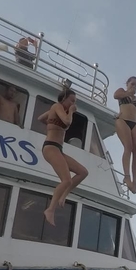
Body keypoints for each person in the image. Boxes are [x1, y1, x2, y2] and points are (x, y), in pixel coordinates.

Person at [39, 86, 88, 226]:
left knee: (83, 172)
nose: (73, 104)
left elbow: (40, 118)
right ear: (63, 99)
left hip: (58, 149)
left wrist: (50, 122)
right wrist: (71, 112)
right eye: (72, 101)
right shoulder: (57, 106)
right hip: (50, 147)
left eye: (75, 102)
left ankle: (64, 196)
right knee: (66, 180)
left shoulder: (57, 110)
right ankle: (50, 210)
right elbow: (67, 122)